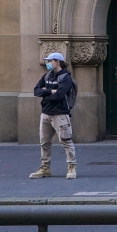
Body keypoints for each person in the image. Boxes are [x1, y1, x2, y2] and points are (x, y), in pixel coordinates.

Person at [29, 52, 78, 180]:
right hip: (46, 114)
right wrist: (50, 91)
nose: (48, 63)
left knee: (66, 141)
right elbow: (36, 91)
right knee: (44, 142)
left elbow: (59, 96)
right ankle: (45, 167)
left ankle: (71, 166)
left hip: (60, 114)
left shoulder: (66, 78)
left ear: (57, 62)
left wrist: (45, 94)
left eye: (50, 61)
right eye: (48, 61)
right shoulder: (46, 76)